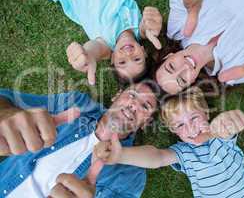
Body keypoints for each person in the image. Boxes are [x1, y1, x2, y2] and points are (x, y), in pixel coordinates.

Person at [93, 87, 244, 198]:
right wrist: (122, 154)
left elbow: (229, 127)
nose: (190, 128)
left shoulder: (221, 138)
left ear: (207, 114)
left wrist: (228, 122)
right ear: (174, 131)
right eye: (180, 125)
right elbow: (157, 157)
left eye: (194, 117)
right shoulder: (184, 153)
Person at [0, 82, 157, 198]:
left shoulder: (131, 174)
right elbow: (8, 98)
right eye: (132, 95)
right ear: (117, 95)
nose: (134, 105)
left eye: (145, 106)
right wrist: (6, 114)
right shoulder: (77, 104)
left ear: (146, 123)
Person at [155, 0, 244, 94]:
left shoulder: (178, 29)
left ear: (169, 56)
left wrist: (192, 4)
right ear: (192, 82)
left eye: (171, 67)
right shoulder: (234, 71)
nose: (184, 67)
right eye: (182, 79)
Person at [50, 0, 163, 85]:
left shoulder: (105, 45)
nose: (128, 54)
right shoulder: (140, 29)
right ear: (144, 52)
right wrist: (149, 25)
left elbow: (95, 49)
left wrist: (88, 53)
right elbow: (144, 27)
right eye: (137, 59)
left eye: (122, 62)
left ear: (113, 58)